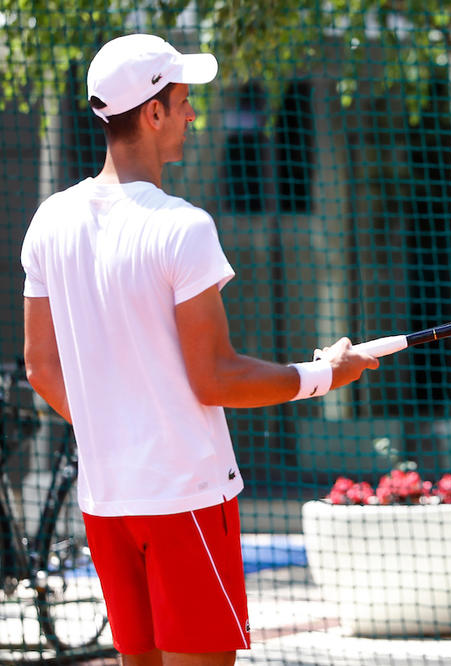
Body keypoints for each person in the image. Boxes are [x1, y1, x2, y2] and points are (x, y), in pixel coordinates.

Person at [20, 34, 379, 666]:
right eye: (184, 101)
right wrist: (324, 374)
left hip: (106, 505)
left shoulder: (49, 219)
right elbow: (215, 379)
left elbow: (40, 369)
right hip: (184, 499)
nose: (194, 114)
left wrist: (119, 426)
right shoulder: (183, 226)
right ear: (152, 113)